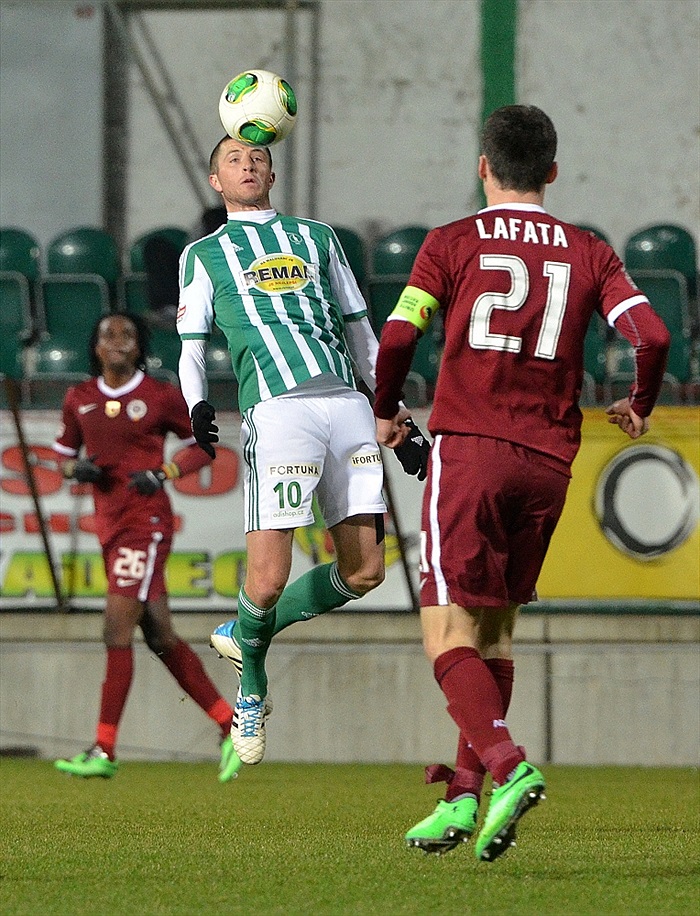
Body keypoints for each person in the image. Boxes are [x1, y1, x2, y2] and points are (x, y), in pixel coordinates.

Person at [373, 105, 671, 862]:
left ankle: (507, 766)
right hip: (547, 463)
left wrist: (384, 410)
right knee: (495, 631)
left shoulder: (453, 242)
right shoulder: (589, 251)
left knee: (444, 629)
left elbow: (400, 334)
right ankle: (463, 798)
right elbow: (652, 335)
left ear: (483, 166)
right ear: (552, 171)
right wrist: (638, 403)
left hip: (471, 450)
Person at [177, 137, 421, 767]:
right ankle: (251, 687)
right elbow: (191, 346)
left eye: (256, 156)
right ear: (214, 180)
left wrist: (394, 409)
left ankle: (244, 636)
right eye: (233, 158)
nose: (247, 164)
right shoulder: (203, 256)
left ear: (273, 170)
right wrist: (199, 406)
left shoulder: (317, 237)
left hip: (345, 404)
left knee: (366, 571)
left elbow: (362, 329)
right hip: (278, 411)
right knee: (268, 577)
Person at [53, 312, 241, 783]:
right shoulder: (80, 398)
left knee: (115, 631)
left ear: (139, 348)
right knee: (158, 636)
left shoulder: (157, 396)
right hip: (110, 527)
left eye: (127, 336)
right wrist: (76, 471)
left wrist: (165, 472)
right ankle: (229, 725)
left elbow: (203, 444)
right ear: (95, 347)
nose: (117, 342)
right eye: (108, 335)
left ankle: (104, 748)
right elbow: (61, 455)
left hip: (147, 523)